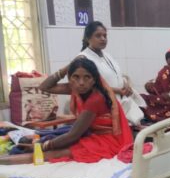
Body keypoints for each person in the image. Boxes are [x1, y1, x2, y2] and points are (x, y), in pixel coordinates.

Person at [0, 57, 132, 165]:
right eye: (76, 77)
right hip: (91, 134)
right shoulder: (75, 88)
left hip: (108, 141)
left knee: (48, 154)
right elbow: (44, 87)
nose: (81, 82)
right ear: (70, 79)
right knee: (52, 140)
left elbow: (73, 135)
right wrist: (68, 67)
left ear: (94, 80)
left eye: (87, 77)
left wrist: (42, 146)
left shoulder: (95, 99)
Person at [79, 21, 146, 126]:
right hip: (103, 104)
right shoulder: (83, 58)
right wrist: (117, 90)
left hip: (119, 99)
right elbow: (88, 87)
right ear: (88, 38)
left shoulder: (107, 55)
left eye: (105, 36)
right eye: (98, 36)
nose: (103, 39)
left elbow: (116, 75)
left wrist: (126, 85)